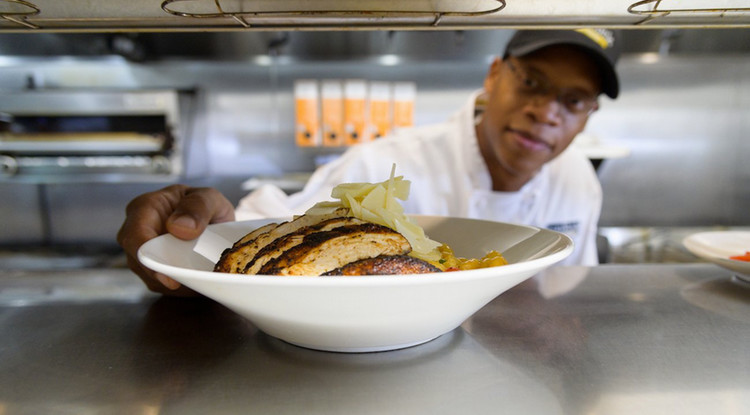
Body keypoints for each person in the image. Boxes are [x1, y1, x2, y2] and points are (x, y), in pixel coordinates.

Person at [118, 29, 622, 296]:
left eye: (574, 100)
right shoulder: (388, 163)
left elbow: (572, 286)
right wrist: (206, 235)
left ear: (588, 114)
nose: (546, 113)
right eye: (531, 82)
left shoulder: (578, 178)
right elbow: (281, 226)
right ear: (493, 75)